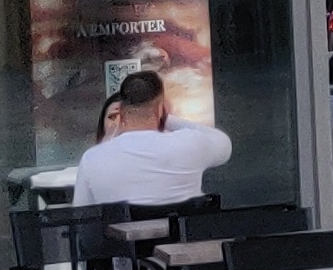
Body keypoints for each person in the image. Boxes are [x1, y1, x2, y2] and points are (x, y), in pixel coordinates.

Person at [73, 69, 235, 211]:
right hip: (181, 236)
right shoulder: (190, 143)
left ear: (121, 111)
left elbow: (82, 216)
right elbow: (223, 143)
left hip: (122, 238)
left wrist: (108, 141)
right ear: (160, 109)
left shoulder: (92, 159)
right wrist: (167, 119)